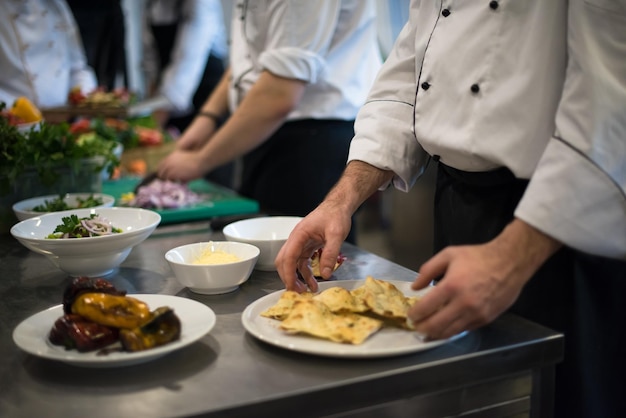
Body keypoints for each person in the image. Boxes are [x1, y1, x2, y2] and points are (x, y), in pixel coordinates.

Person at [275, 1, 626, 418]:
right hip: (458, 204)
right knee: (473, 397)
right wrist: (341, 200)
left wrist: (511, 256)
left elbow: (614, 98)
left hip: (563, 221)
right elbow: (409, 77)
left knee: (563, 398)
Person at [157, 0, 382, 243]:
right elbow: (252, 60)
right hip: (269, 130)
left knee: (310, 268)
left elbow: (279, 93)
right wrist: (208, 118)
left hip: (312, 145)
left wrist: (200, 161)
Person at [141, 0, 228, 134]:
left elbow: (187, 60)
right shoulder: (152, 5)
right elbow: (151, 58)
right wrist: (152, 102)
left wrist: (152, 126)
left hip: (205, 99)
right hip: (167, 102)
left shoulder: (202, 4)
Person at [0, 0, 97, 108]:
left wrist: (88, 98)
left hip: (65, 119)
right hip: (10, 119)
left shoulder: (56, 4)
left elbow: (78, 69)